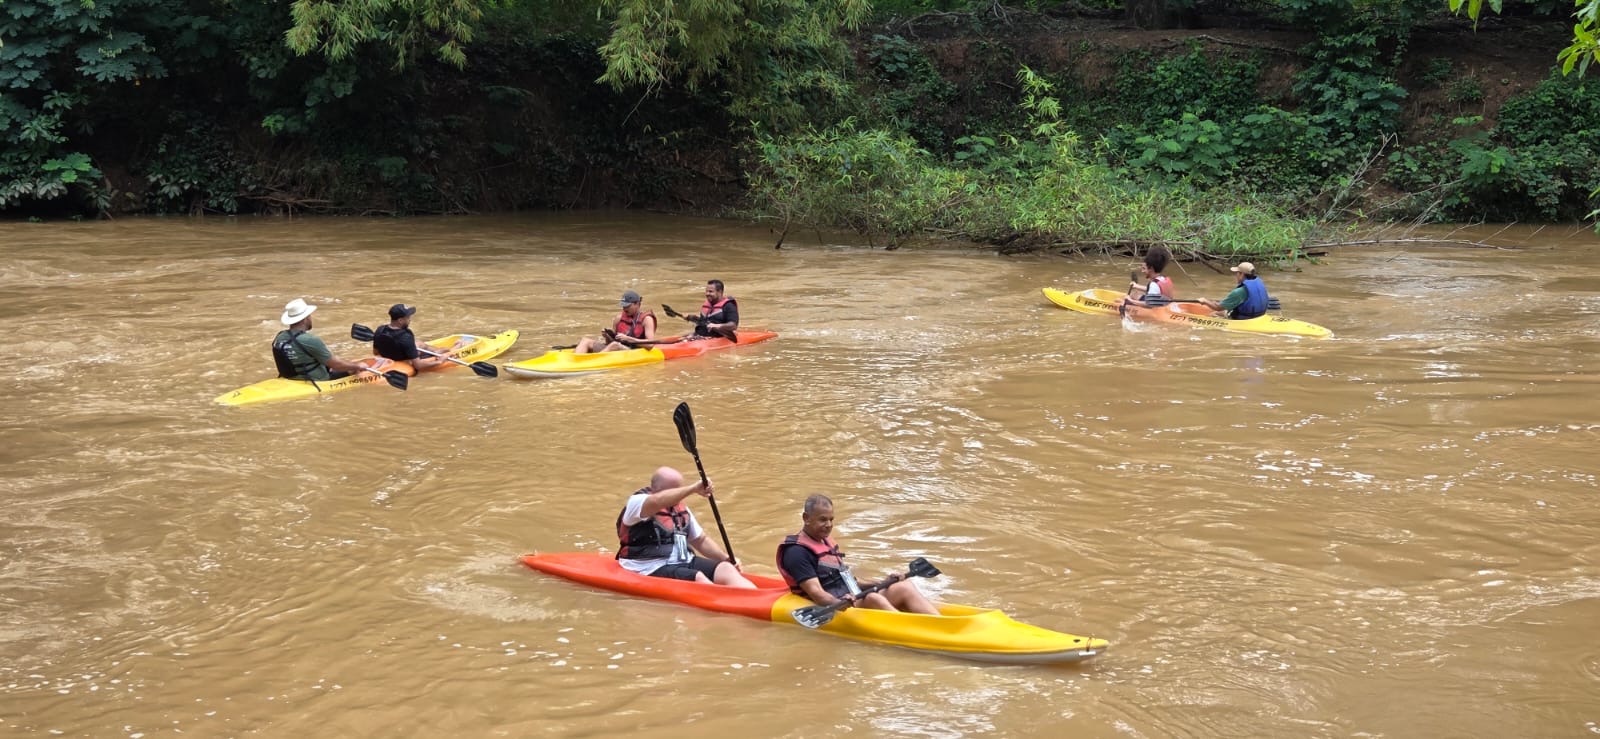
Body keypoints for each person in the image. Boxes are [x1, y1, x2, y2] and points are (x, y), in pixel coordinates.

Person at [776, 494, 939, 615]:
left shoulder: (824, 541)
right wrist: (840, 603)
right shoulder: (797, 552)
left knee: (903, 586)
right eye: (823, 520)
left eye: (831, 519)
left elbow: (849, 580)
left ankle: (940, 623)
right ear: (806, 518)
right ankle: (915, 631)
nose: (829, 525)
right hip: (838, 603)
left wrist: (885, 581)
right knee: (873, 599)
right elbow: (818, 595)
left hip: (854, 595)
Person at [615, 467, 755, 588]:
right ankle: (731, 605)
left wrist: (725, 558)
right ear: (656, 489)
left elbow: (700, 540)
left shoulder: (680, 509)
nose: (680, 495)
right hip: (646, 567)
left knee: (726, 568)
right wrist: (693, 489)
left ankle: (754, 597)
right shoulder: (637, 503)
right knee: (698, 578)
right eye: (676, 491)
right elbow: (657, 501)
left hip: (683, 562)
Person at [272, 298, 368, 381]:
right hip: (317, 380)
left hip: (289, 378)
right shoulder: (310, 340)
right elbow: (336, 365)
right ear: (305, 318)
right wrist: (358, 366)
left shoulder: (280, 337)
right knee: (352, 369)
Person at [575, 290, 658, 354]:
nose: (624, 309)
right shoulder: (618, 318)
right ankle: (575, 362)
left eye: (627, 306)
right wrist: (607, 336)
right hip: (616, 349)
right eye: (623, 306)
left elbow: (650, 345)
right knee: (585, 341)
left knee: (615, 345)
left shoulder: (647, 319)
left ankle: (592, 363)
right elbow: (610, 342)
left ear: (637, 304)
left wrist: (629, 339)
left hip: (633, 351)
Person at [372, 304, 449, 372]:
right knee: (446, 350)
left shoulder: (380, 329)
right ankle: (447, 350)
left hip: (391, 357)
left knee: (419, 344)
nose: (410, 319)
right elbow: (418, 366)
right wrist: (440, 362)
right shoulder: (406, 336)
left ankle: (436, 351)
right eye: (408, 317)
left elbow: (375, 352)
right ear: (400, 320)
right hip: (404, 360)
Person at [1198, 261, 1269, 319]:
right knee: (1224, 311)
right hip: (1260, 316)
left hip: (1245, 319)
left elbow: (1218, 307)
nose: (1236, 275)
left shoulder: (1239, 292)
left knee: (1213, 314)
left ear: (1242, 274)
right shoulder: (1259, 282)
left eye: (1237, 273)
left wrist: (1205, 301)